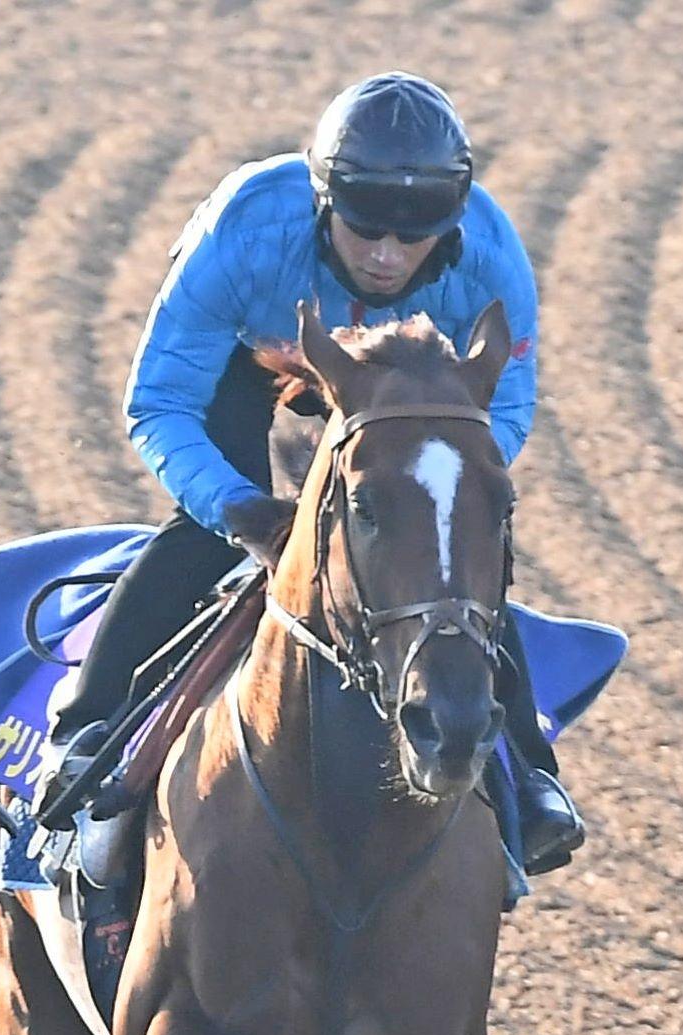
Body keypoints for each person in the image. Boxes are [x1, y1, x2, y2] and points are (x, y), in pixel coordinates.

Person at [39, 71, 584, 872]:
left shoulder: (493, 259)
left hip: (403, 394)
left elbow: (499, 413)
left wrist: (437, 489)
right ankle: (88, 731)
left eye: (416, 236)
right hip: (252, 361)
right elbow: (160, 403)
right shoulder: (248, 229)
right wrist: (240, 511)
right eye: (365, 230)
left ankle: (528, 773)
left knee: (451, 561)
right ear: (325, 200)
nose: (388, 257)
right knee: (208, 535)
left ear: (454, 219)